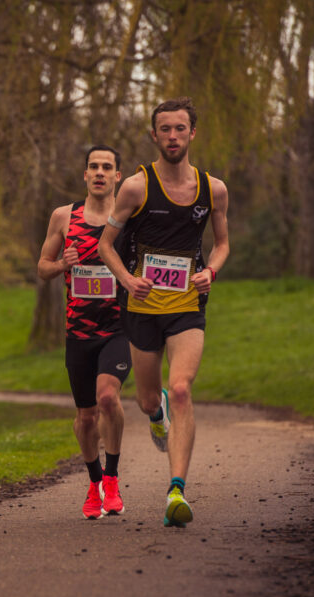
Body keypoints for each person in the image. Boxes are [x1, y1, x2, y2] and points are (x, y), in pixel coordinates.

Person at [98, 97, 230, 528]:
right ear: (153, 136)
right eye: (165, 130)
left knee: (183, 388)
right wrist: (127, 280)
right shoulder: (136, 187)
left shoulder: (214, 189)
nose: (173, 136)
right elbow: (104, 245)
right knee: (148, 398)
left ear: (193, 133)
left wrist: (211, 269)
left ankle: (177, 489)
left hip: (186, 305)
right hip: (141, 305)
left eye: (180, 128)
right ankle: (157, 416)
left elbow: (223, 243)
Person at [37, 145, 131, 520]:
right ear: (85, 174)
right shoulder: (64, 216)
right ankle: (93, 484)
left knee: (108, 398)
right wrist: (62, 263)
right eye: (93, 166)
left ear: (117, 176)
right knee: (86, 417)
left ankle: (112, 478)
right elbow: (42, 267)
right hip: (78, 332)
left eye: (107, 167)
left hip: (118, 327)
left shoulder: (127, 216)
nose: (99, 172)